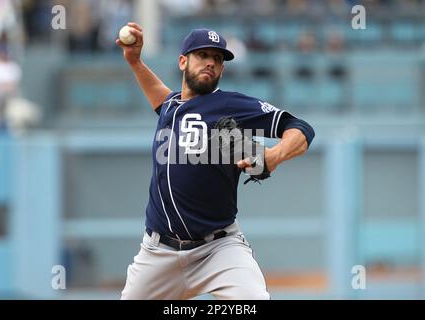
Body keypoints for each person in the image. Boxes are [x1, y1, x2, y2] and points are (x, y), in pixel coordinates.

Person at [116, 24, 315, 300]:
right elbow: (159, 94)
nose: (211, 62)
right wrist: (135, 62)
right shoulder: (171, 106)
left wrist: (273, 156)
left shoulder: (228, 105)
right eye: (203, 55)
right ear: (183, 61)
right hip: (158, 252)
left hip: (218, 250)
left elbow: (300, 128)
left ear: (222, 69)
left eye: (218, 58)